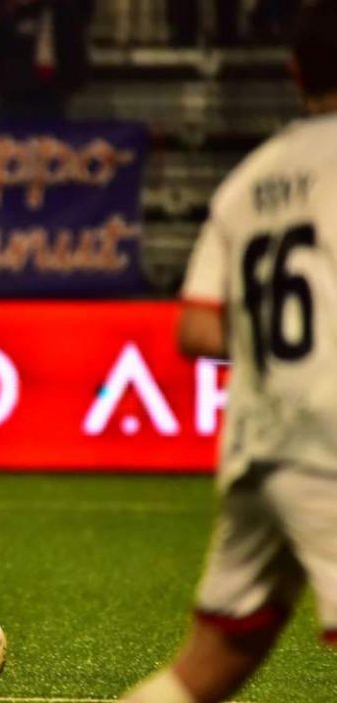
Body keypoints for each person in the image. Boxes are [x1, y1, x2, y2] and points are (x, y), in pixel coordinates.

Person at [120, 3, 337, 701]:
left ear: (294, 71)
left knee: (212, 662)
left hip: (257, 442)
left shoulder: (248, 181)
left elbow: (198, 330)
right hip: (332, 442)